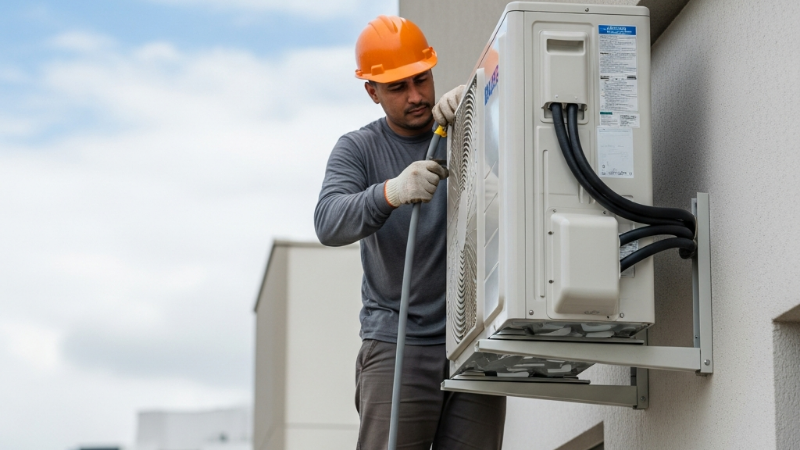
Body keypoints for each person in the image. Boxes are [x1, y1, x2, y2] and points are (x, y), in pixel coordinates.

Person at [314, 15, 506, 450]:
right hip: (397, 343)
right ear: (372, 91)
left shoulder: (465, 127)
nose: (417, 96)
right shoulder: (358, 149)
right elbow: (327, 221)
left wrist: (481, 110)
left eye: (421, 79)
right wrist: (391, 192)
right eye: (398, 87)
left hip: (473, 339)